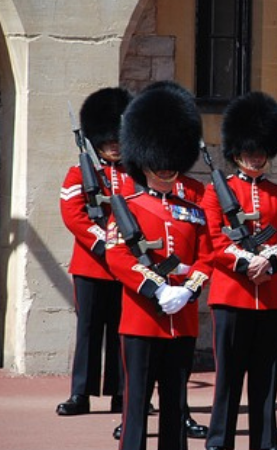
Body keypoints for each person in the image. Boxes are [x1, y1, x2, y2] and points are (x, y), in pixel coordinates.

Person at [105, 81, 214, 450]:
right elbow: (117, 255)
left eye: (171, 163)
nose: (166, 170)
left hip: (180, 320)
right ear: (144, 160)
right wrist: (157, 288)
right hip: (141, 319)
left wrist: (188, 290)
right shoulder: (129, 206)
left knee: (174, 404)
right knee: (136, 406)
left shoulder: (193, 210)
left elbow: (206, 255)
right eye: (159, 163)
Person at [202, 91, 277, 450]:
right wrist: (245, 261)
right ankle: (219, 439)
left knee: (266, 378)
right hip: (231, 296)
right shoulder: (217, 193)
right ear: (236, 151)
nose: (255, 156)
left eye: (261, 150)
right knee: (228, 377)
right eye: (249, 150)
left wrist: (270, 260)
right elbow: (213, 239)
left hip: (270, 299)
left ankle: (264, 441)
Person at [58, 87, 133, 416]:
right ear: (97, 141)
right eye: (108, 141)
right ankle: (81, 394)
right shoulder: (80, 172)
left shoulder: (134, 175)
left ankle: (121, 392)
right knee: (88, 329)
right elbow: (72, 213)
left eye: (118, 140)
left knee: (122, 328)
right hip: (91, 264)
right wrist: (103, 241)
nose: (114, 146)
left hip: (126, 265)